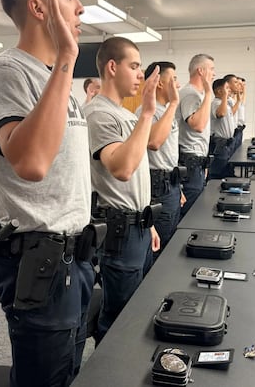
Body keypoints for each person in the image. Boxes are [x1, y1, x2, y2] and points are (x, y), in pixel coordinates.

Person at [0, 0, 94, 387]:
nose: (80, 8)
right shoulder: (4, 73)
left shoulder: (55, 81)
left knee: (67, 372)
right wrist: (67, 59)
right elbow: (32, 163)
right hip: (39, 262)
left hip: (74, 256)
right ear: (40, 8)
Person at [83, 37, 161, 343]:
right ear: (112, 67)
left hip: (138, 225)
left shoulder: (125, 115)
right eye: (134, 66)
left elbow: (138, 174)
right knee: (119, 318)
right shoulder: (100, 114)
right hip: (120, 233)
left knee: (137, 308)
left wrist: (148, 221)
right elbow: (122, 168)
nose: (140, 74)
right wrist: (147, 112)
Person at [136, 61, 186, 263]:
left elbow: (169, 154)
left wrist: (178, 187)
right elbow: (154, 142)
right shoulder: (146, 111)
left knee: (169, 240)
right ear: (159, 83)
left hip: (170, 184)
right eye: (173, 79)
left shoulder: (166, 111)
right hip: (157, 187)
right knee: (158, 248)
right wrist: (174, 103)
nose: (177, 83)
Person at [175, 53, 215, 218]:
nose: (214, 73)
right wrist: (208, 93)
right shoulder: (190, 94)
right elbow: (198, 125)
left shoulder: (197, 94)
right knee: (190, 214)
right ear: (201, 71)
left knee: (195, 209)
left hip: (196, 162)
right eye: (211, 69)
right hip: (189, 162)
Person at [208, 78, 235, 179]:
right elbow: (220, 114)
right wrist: (224, 96)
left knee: (226, 168)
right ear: (219, 91)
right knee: (218, 170)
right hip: (220, 142)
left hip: (227, 142)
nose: (229, 91)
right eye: (227, 88)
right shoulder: (216, 103)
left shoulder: (225, 104)